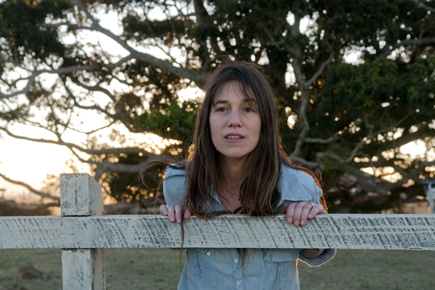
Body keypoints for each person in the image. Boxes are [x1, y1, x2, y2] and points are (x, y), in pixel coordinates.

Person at [141, 62, 335, 290]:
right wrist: (174, 223)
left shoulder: (298, 185)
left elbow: (312, 252)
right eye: (222, 109)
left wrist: (314, 225)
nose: (234, 120)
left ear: (265, 122)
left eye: (248, 109)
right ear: (207, 120)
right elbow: (177, 243)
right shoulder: (180, 184)